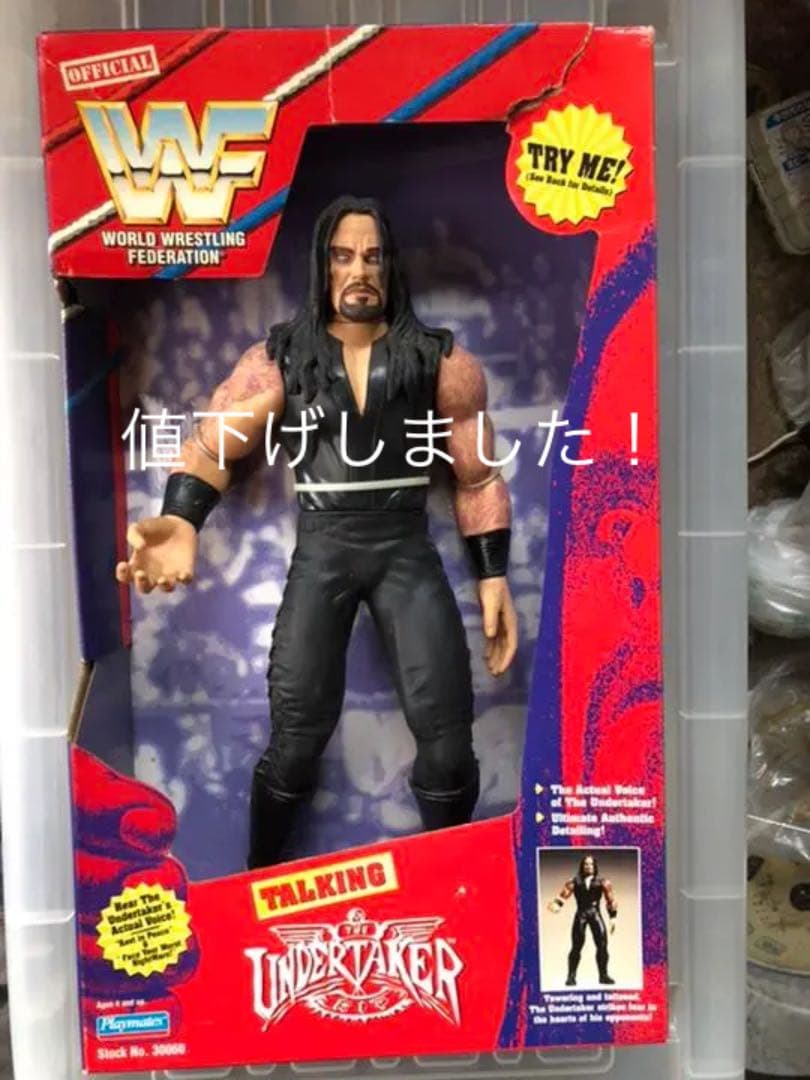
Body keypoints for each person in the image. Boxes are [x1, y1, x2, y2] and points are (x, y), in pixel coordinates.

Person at [116, 194, 518, 868]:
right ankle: (258, 881)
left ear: (389, 266)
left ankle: (450, 880)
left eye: (372, 256)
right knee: (296, 740)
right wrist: (182, 517)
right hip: (324, 549)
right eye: (343, 256)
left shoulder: (441, 362)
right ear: (322, 265)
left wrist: (493, 574)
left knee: (449, 744)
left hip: (404, 549)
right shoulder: (279, 358)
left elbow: (477, 478)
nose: (358, 270)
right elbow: (212, 447)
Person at [547, 853, 617, 986]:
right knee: (576, 946)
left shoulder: (603, 882)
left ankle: (603, 975)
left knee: (602, 945)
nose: (588, 866)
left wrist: (613, 917)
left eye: (591, 864)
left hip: (595, 913)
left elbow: (611, 900)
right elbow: (563, 895)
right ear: (582, 866)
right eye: (586, 864)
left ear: (595, 866)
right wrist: (557, 905)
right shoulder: (574, 882)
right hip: (581, 914)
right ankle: (571, 976)